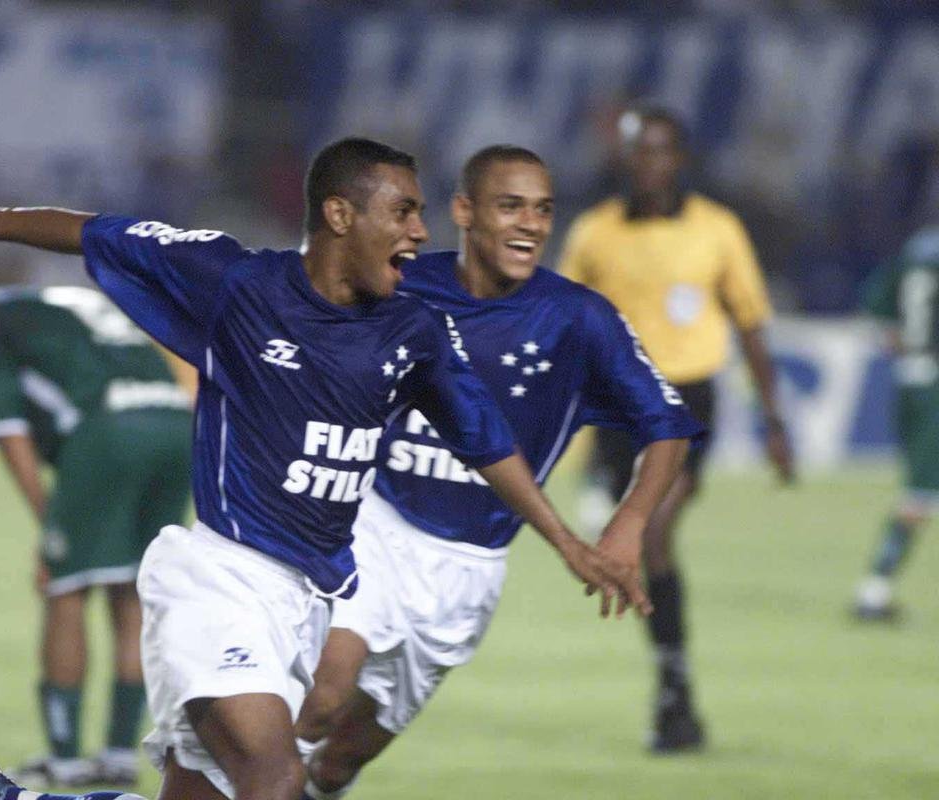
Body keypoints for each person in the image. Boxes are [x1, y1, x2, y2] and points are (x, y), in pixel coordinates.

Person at [0, 137, 651, 800]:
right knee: (277, 785)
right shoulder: (238, 285)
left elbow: (484, 440)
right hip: (221, 579)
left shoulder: (412, 329)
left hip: (308, 601)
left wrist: (564, 542)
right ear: (341, 215)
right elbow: (97, 232)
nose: (419, 232)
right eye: (403, 211)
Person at [293, 145, 703, 799]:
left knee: (343, 760)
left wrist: (628, 524)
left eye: (542, 209)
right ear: (464, 211)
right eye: (510, 205)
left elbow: (669, 424)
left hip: (470, 570)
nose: (531, 224)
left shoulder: (578, 317)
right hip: (374, 524)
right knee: (321, 698)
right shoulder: (402, 284)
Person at [559, 105, 796, 752]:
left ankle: (674, 692)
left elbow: (749, 323)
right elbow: (561, 326)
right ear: (624, 158)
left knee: (653, 529)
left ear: (680, 159)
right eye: (638, 151)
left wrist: (774, 420)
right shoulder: (594, 232)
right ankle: (675, 690)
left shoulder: (718, 230)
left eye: (661, 150)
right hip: (617, 409)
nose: (649, 163)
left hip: (687, 403)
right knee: (648, 546)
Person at [0, 285, 194, 788]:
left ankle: (63, 759)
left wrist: (50, 524)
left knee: (65, 588)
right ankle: (119, 755)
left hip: (108, 430)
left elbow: (8, 429)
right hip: (178, 426)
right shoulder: (65, 304)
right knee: (132, 591)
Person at [852, 225, 939, 621]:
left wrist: (910, 345)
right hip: (934, 388)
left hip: (909, 380)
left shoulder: (916, 249)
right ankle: (873, 592)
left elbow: (877, 309)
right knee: (920, 495)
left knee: (922, 491)